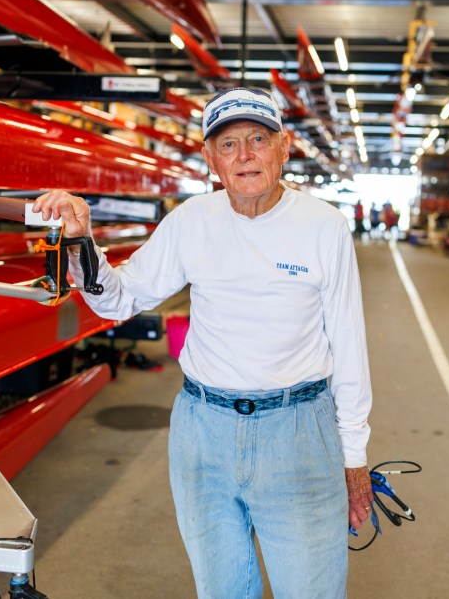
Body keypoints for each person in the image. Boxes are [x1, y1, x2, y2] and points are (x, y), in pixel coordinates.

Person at [33, 86, 373, 598]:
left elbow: (349, 344)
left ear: (283, 148)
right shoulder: (192, 221)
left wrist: (354, 456)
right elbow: (119, 298)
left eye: (258, 139)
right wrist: (82, 240)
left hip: (298, 432)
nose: (245, 155)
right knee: (222, 591)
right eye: (229, 144)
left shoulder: (323, 226)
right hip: (202, 433)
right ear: (211, 159)